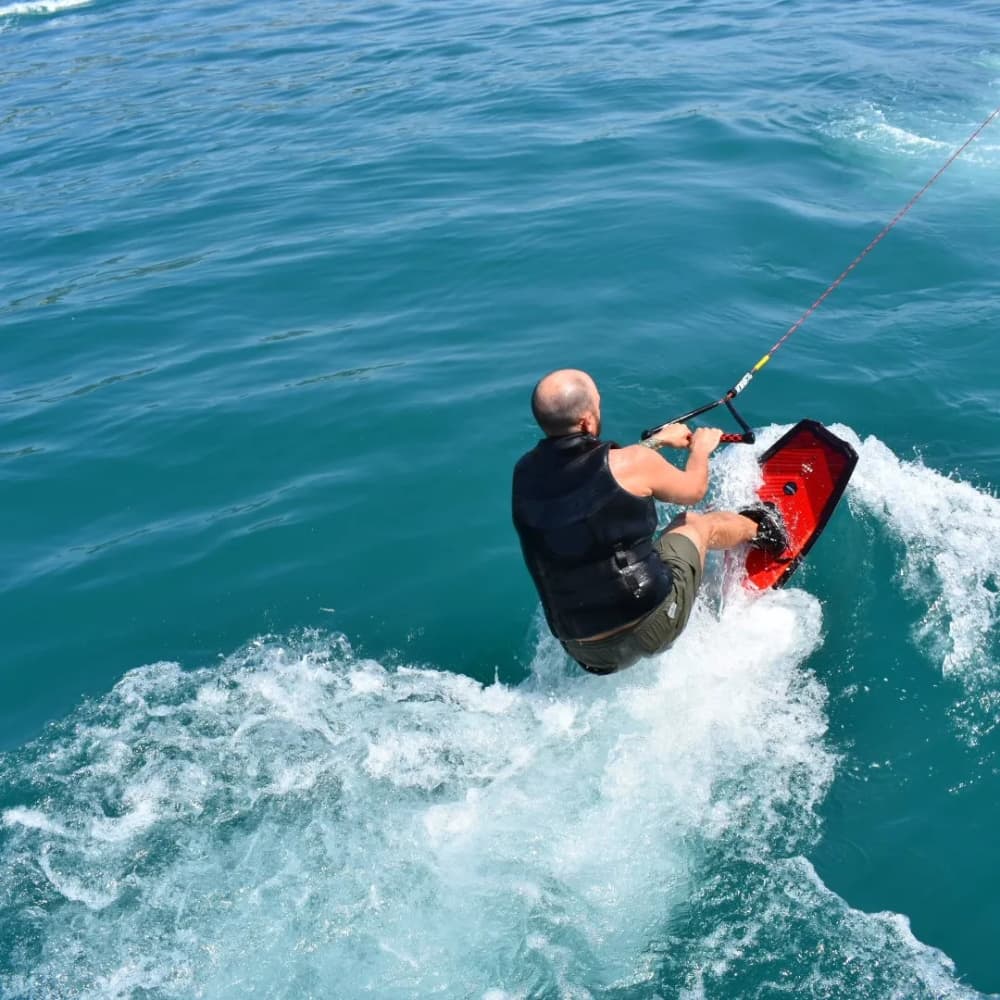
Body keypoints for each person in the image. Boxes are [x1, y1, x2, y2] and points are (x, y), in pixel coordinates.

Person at [511, 369, 785, 675]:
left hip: (584, 652)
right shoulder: (634, 464)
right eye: (597, 405)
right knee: (693, 523)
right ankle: (767, 530)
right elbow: (693, 491)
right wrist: (700, 450)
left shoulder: (523, 476)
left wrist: (655, 443)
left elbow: (589, 480)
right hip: (652, 626)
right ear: (587, 421)